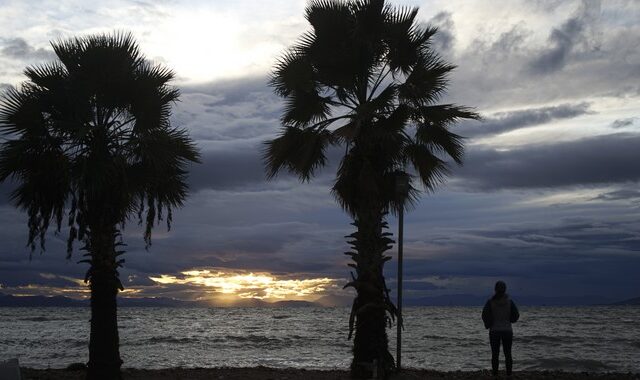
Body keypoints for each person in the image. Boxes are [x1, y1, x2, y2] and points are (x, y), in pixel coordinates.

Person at [482, 280, 519, 378]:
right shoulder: (510, 302)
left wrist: (488, 324)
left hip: (494, 331)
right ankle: (509, 374)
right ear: (505, 290)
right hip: (507, 330)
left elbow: (484, 315)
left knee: (495, 354)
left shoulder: (490, 302)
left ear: (495, 289)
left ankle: (495, 374)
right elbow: (516, 316)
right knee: (508, 354)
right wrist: (510, 320)